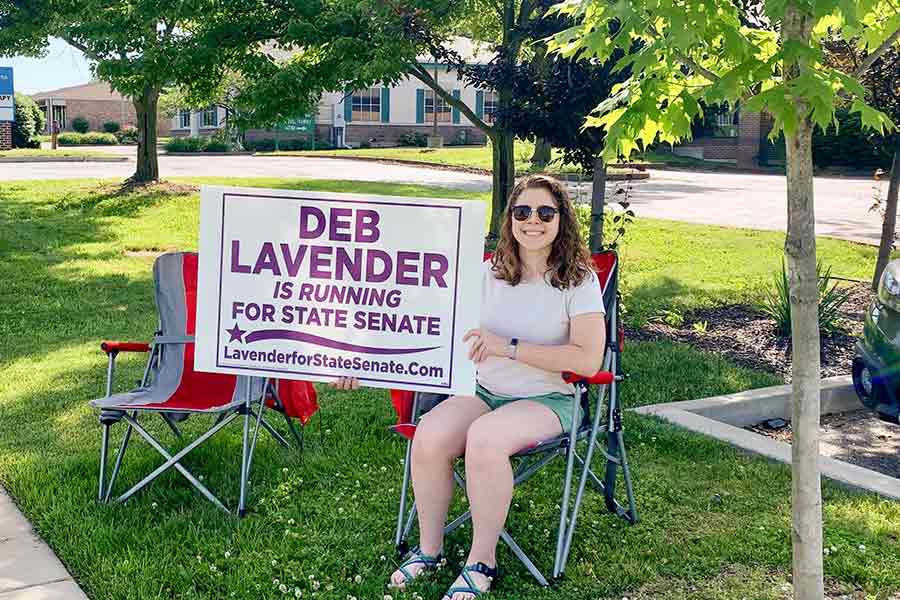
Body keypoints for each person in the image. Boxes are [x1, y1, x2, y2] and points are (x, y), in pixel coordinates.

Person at [332, 175, 606, 599]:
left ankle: (482, 561)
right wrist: (359, 363)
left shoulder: (578, 282)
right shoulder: (487, 274)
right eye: (522, 212)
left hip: (548, 399)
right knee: (430, 435)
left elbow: (588, 359)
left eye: (545, 213)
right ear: (510, 219)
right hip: (483, 391)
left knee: (484, 440)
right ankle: (429, 550)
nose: (533, 221)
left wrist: (509, 348)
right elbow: (417, 319)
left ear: (561, 221)